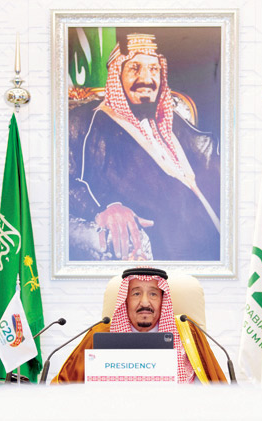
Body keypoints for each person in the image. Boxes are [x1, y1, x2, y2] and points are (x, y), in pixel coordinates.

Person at [68, 33, 220, 262]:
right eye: (134, 68)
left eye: (154, 69)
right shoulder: (89, 122)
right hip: (165, 256)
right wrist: (106, 208)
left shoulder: (171, 120)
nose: (146, 79)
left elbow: (210, 156)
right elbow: (62, 181)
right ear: (117, 76)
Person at [51, 268, 227, 384]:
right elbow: (63, 389)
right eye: (136, 294)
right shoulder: (101, 332)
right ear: (125, 301)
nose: (145, 302)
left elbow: (216, 390)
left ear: (163, 300)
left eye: (153, 294)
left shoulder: (187, 331)